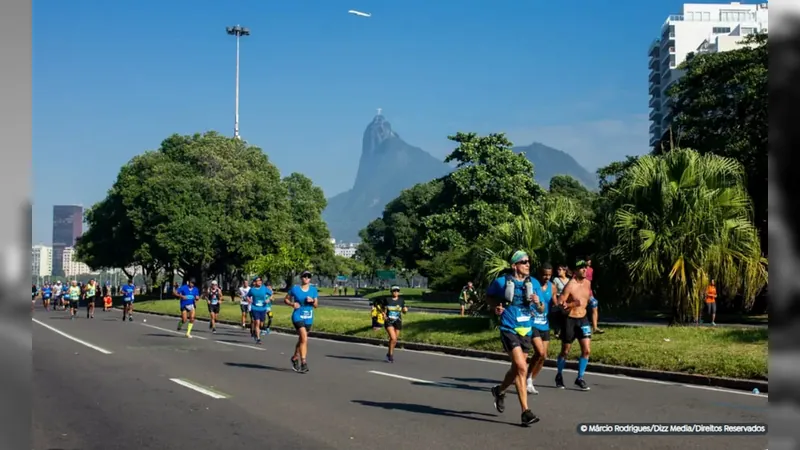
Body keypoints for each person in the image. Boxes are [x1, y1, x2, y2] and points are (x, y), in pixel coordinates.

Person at [487, 250, 540, 426]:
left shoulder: (534, 283)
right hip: (509, 327)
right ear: (514, 265)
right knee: (521, 367)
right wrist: (496, 308)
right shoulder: (501, 282)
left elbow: (540, 309)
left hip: (526, 329)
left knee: (516, 369)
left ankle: (499, 390)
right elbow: (489, 297)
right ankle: (525, 411)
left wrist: (537, 302)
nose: (528, 264)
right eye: (524, 262)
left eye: (528, 261)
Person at [555, 260, 593, 391]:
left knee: (586, 350)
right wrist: (571, 304)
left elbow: (587, 299)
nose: (584, 270)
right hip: (570, 320)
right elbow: (560, 303)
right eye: (581, 268)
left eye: (585, 268)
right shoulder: (570, 285)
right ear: (575, 270)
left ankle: (580, 378)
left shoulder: (588, 283)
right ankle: (559, 375)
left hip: (583, 320)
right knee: (565, 351)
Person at [527, 263, 555, 395]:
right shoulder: (531, 283)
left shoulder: (552, 287)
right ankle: (526, 379)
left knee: (543, 356)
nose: (547, 277)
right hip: (533, 323)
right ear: (539, 273)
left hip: (545, 323)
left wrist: (563, 304)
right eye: (544, 274)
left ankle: (530, 379)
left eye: (549, 275)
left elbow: (555, 301)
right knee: (540, 352)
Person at [285, 271, 318, 373]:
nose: (306, 278)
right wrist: (292, 304)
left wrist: (312, 301)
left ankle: (295, 357)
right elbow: (286, 299)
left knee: (301, 340)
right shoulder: (295, 289)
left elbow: (316, 305)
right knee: (304, 338)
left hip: (308, 317)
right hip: (298, 316)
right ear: (301, 278)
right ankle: (303, 362)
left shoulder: (313, 290)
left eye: (308, 277)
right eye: (304, 276)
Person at [382, 286, 408, 363]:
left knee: (394, 340)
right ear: (391, 292)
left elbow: (403, 310)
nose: (395, 292)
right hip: (389, 321)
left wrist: (405, 310)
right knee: (393, 338)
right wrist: (384, 314)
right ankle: (390, 355)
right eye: (394, 291)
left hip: (398, 321)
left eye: (397, 291)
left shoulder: (401, 300)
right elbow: (382, 308)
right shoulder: (387, 300)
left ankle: (389, 354)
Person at [246, 277, 271, 344]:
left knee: (261, 324)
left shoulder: (264, 288)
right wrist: (249, 300)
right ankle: (258, 339)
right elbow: (247, 296)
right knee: (257, 322)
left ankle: (255, 331)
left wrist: (268, 299)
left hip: (263, 308)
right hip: (255, 308)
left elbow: (271, 294)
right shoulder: (252, 290)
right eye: (258, 281)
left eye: (260, 280)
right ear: (254, 282)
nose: (259, 282)